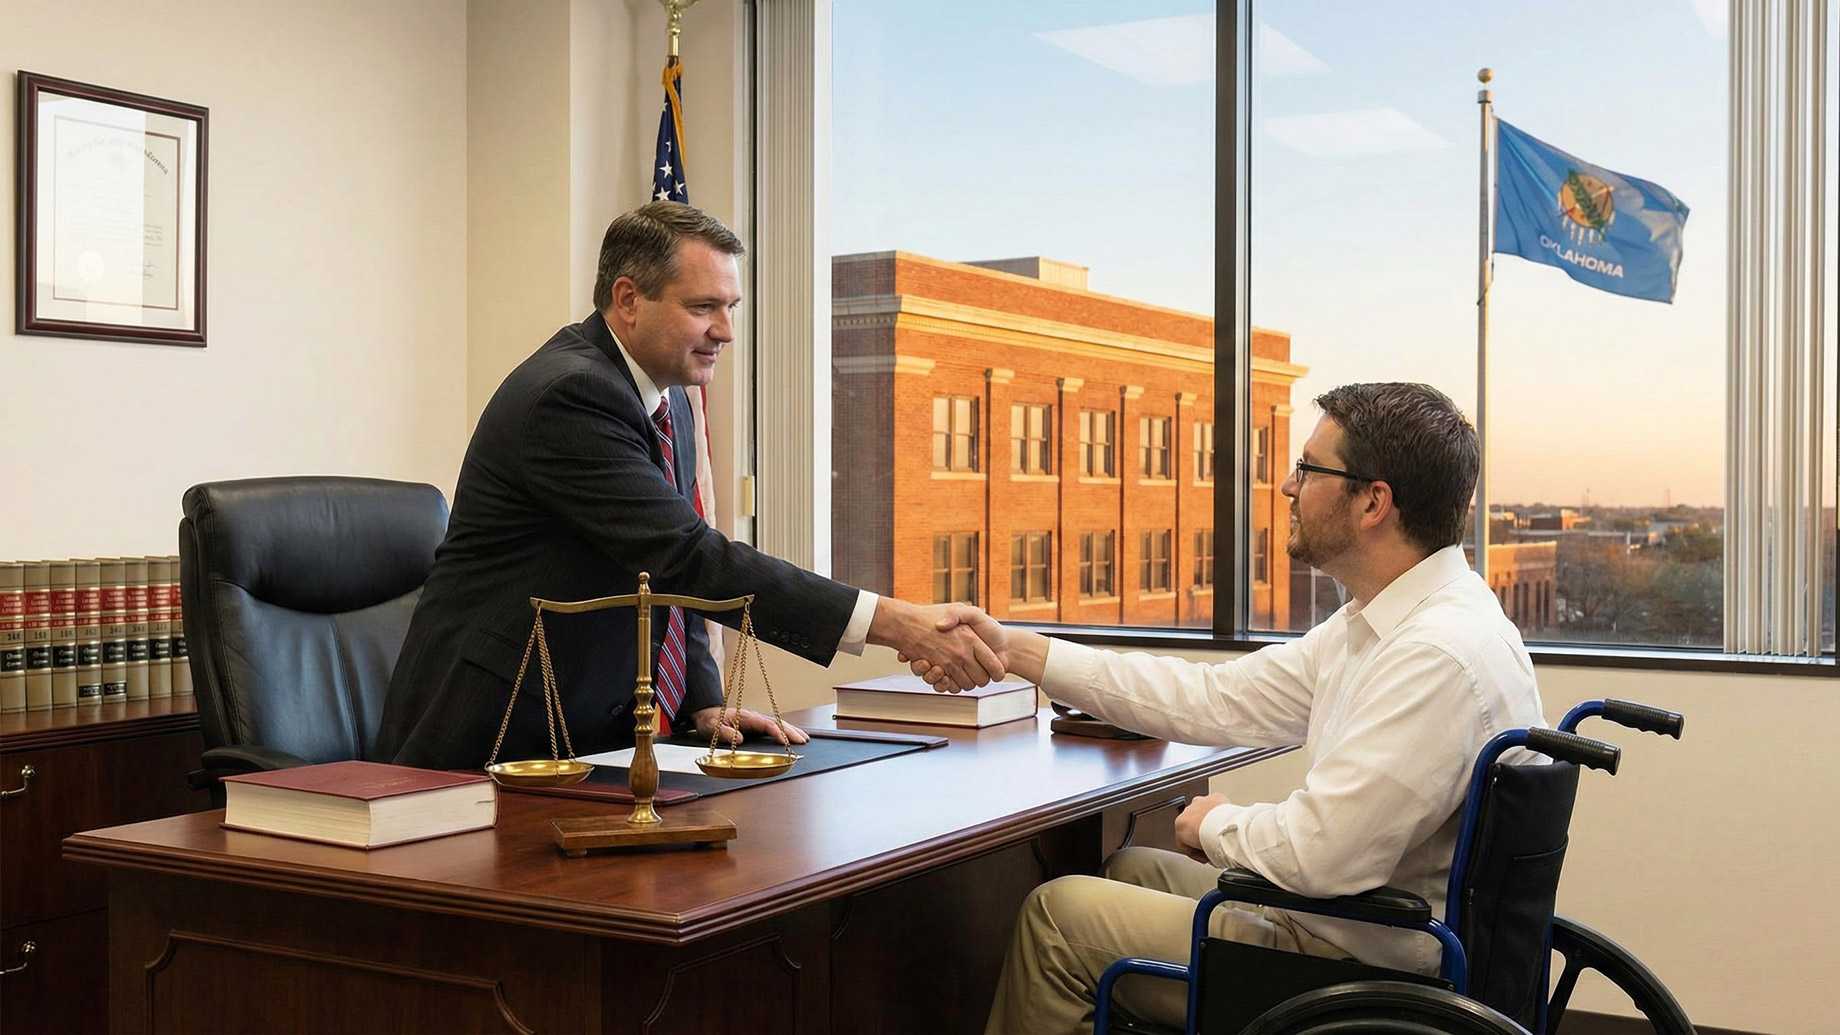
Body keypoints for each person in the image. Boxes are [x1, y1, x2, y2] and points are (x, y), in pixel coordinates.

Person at [910, 382, 1544, 1035]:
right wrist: (1015, 648)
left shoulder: (1434, 655)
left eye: (1309, 468)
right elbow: (1210, 696)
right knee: (1128, 867)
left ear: (1373, 502)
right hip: (1356, 925)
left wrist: (1214, 823)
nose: (1288, 487)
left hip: (1361, 971)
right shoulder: (1389, 624)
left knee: (1057, 916)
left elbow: (1320, 853)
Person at [375, 201, 1001, 771]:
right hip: (495, 734)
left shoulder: (662, 393)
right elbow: (685, 555)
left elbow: (664, 570)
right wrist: (896, 623)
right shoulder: (572, 396)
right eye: (703, 308)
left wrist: (701, 698)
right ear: (628, 299)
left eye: (730, 307)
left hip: (589, 731)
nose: (725, 331)